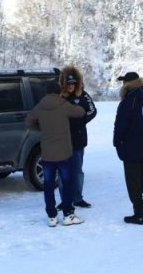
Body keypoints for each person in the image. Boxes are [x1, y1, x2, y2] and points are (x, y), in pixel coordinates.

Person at [25, 87, 86, 227]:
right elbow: (81, 112)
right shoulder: (64, 105)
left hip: (47, 153)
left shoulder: (40, 106)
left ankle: (52, 216)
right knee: (67, 183)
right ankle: (68, 215)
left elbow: (28, 122)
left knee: (48, 185)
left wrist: (41, 128)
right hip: (64, 152)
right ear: (60, 92)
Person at [113, 71, 143, 225]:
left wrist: (117, 142)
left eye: (124, 82)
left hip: (132, 146)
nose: (122, 84)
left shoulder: (129, 101)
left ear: (129, 84)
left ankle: (139, 213)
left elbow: (120, 125)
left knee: (133, 180)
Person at [57, 65, 97, 209]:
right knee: (63, 173)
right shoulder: (58, 96)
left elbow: (93, 110)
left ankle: (78, 198)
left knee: (77, 172)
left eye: (73, 83)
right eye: (68, 83)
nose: (71, 86)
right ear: (64, 83)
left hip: (78, 141)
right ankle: (65, 200)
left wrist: (81, 120)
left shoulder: (83, 95)